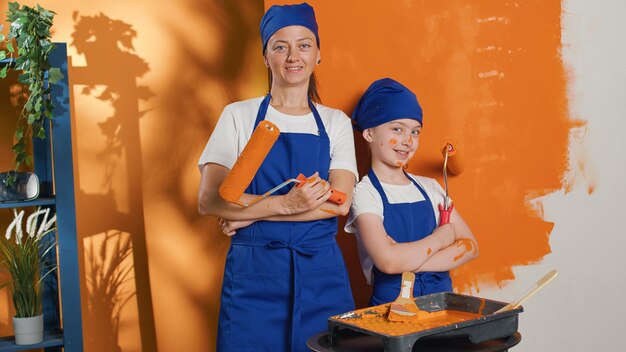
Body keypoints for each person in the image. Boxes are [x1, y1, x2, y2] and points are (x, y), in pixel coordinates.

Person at [197, 3, 357, 351]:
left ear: (318, 54)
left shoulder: (335, 123)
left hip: (321, 273)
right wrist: (285, 204)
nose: (292, 55)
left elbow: (339, 204)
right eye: (280, 46)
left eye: (304, 44)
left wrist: (246, 211)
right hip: (253, 275)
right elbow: (209, 200)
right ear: (266, 57)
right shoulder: (237, 116)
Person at [345, 78, 479, 306]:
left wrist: (407, 260)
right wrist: (441, 238)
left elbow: (470, 246)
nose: (408, 141)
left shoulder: (430, 187)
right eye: (397, 129)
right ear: (369, 133)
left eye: (415, 132)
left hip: (442, 307)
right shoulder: (363, 193)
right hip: (390, 312)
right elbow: (388, 262)